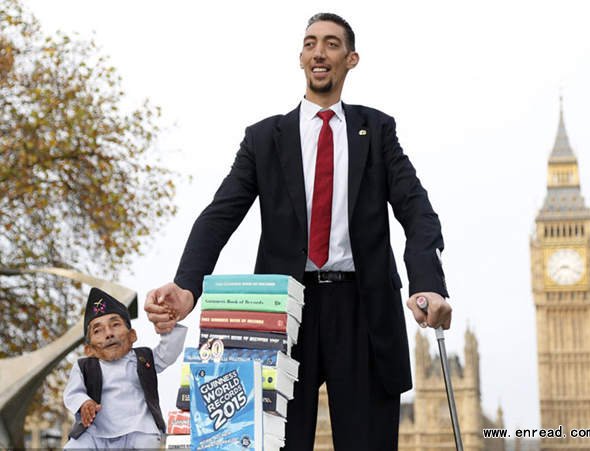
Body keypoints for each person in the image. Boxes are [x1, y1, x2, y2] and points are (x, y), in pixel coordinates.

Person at [145, 12, 452, 451]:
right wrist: (186, 286)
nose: (319, 52)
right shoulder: (263, 138)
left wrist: (428, 284)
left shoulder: (379, 131)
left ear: (351, 59)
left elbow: (419, 213)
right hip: (281, 316)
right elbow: (219, 216)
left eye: (330, 43)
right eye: (310, 44)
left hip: (364, 312)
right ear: (301, 58)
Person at [63, 287, 187, 449]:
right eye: (98, 330)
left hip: (138, 429)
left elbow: (167, 354)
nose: (108, 334)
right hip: (96, 433)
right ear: (89, 350)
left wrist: (168, 324)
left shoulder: (142, 359)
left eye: (115, 325)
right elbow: (73, 393)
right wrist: (84, 403)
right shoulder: (84, 366)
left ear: (132, 335)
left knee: (147, 443)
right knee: (75, 447)